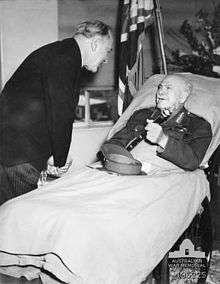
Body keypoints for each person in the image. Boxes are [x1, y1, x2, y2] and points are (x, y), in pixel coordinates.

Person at [0, 20, 113, 205]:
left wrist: (54, 155)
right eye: (107, 51)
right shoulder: (65, 59)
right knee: (18, 218)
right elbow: (60, 114)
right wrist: (60, 161)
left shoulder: (61, 53)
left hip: (13, 150)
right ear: (95, 43)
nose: (105, 59)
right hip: (19, 155)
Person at [101, 74, 212, 171]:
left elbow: (192, 161)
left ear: (182, 97)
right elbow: (118, 140)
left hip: (163, 175)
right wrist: (113, 155)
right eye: (160, 87)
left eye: (168, 88)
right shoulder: (142, 114)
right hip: (127, 167)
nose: (160, 92)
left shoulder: (198, 125)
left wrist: (163, 139)